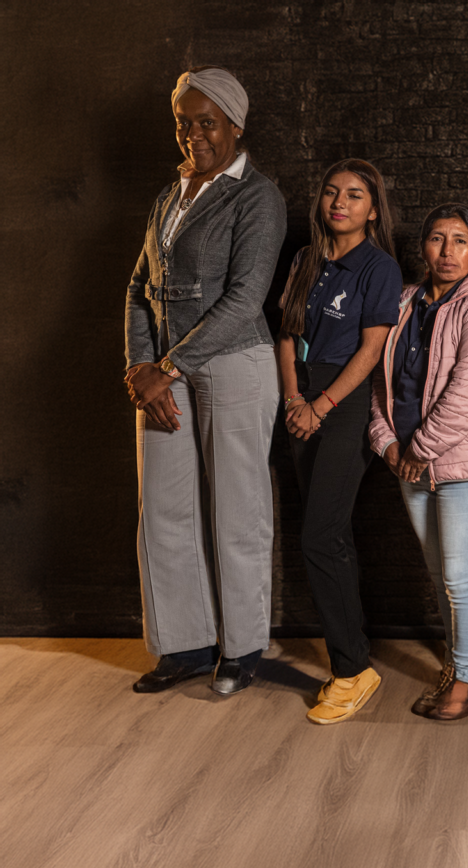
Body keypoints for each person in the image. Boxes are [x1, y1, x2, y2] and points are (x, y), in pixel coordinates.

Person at [125, 66, 286, 696]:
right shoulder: (170, 196)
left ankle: (242, 648)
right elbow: (139, 286)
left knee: (237, 511)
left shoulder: (257, 197)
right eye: (183, 123)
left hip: (234, 363)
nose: (194, 134)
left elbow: (246, 299)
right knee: (164, 509)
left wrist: (166, 369)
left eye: (207, 122)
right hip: (164, 373)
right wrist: (138, 367)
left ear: (235, 126)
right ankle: (185, 644)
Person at [368, 204, 468, 721]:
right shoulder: (403, 302)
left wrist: (417, 449)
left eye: (460, 241)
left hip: (466, 466)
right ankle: (455, 666)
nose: (447, 251)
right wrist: (386, 442)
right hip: (408, 464)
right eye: (437, 239)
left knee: (459, 578)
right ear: (423, 247)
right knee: (440, 576)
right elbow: (379, 382)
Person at [276, 159, 402, 724]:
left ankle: (350, 671)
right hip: (299, 397)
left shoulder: (379, 267)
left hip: (343, 401)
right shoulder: (305, 258)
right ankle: (356, 660)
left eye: (354, 195)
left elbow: (372, 350)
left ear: (372, 210)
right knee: (330, 535)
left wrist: (320, 406)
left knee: (320, 536)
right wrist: (292, 401)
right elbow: (286, 334)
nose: (339, 202)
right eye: (331, 192)